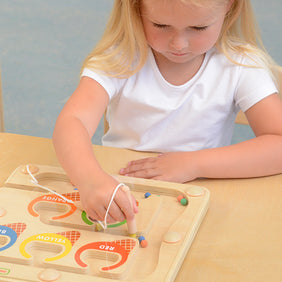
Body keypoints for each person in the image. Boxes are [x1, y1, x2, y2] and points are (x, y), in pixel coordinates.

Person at [53, 0, 282, 226]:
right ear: (136, 7)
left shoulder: (240, 65)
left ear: (230, 6)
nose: (179, 44)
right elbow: (73, 122)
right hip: (122, 193)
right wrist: (90, 180)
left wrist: (194, 164)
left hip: (201, 197)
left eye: (198, 28)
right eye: (160, 25)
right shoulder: (120, 58)